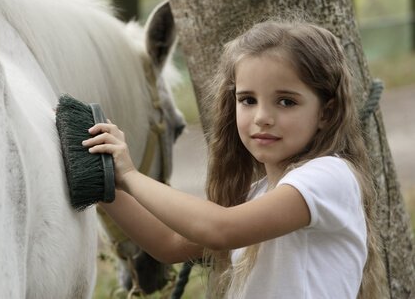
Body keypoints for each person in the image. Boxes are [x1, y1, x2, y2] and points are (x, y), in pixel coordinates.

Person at [82, 19, 386, 298]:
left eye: (286, 101)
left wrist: (130, 176)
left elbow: (219, 229)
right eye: (248, 100)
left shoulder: (329, 177)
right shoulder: (260, 194)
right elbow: (169, 244)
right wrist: (104, 177)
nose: (262, 117)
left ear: (326, 112)